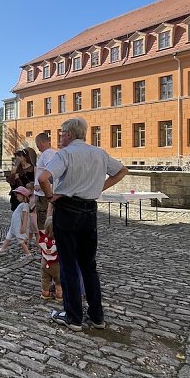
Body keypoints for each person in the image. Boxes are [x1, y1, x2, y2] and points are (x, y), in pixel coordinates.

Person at [39, 117, 128, 331]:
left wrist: (51, 197)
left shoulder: (65, 154)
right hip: (89, 210)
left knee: (69, 265)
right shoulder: (99, 153)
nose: (60, 137)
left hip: (68, 209)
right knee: (89, 265)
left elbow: (43, 178)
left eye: (62, 133)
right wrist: (99, 188)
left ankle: (74, 316)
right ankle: (97, 316)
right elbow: (122, 171)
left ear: (69, 134)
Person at [33, 133, 57, 297]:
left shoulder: (48, 154)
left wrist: (47, 193)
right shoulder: (49, 154)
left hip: (44, 196)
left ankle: (47, 251)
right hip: (42, 194)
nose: (37, 147)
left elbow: (51, 175)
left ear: (41, 142)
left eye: (37, 144)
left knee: (44, 224)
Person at [0, 186, 32, 258]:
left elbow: (25, 216)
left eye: (18, 194)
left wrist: (23, 226)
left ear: (23, 196)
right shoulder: (21, 205)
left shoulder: (25, 205)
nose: (16, 196)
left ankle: (28, 254)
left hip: (18, 226)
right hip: (14, 225)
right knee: (8, 237)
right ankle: (2, 249)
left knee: (20, 240)